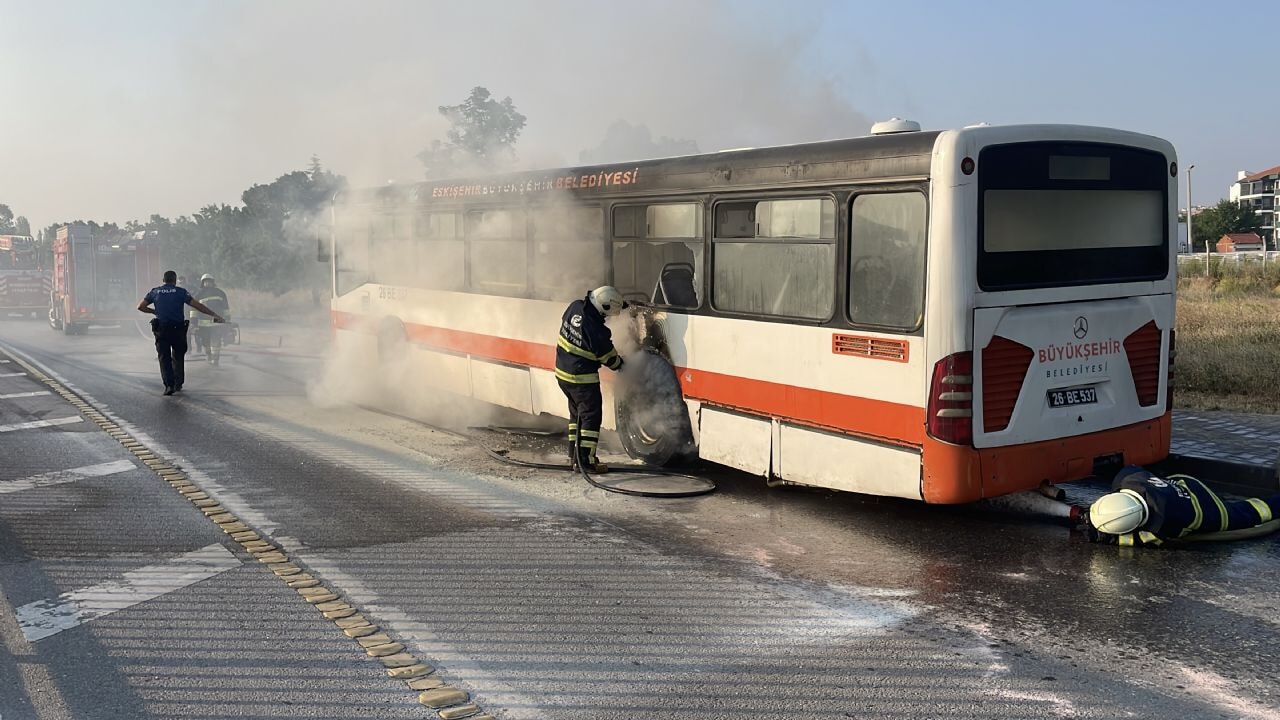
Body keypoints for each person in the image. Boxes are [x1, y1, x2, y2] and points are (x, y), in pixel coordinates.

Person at [1086, 465, 1280, 546]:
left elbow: (1143, 540)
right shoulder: (1126, 479)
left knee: (1249, 513)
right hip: (1181, 483)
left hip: (1206, 509)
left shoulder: (1164, 524)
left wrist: (1111, 539)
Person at [555, 286, 627, 473]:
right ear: (602, 306)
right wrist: (622, 365)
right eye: (608, 313)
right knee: (590, 418)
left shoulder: (575, 307)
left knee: (576, 416)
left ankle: (574, 456)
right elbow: (609, 358)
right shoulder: (596, 329)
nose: (608, 317)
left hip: (563, 374)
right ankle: (585, 462)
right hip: (581, 379)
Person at [137, 270, 225, 395]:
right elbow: (198, 306)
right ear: (174, 280)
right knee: (178, 357)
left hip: (162, 329)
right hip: (177, 330)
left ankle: (169, 385)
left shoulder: (155, 291)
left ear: (163, 280)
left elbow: (140, 307)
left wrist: (153, 312)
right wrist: (215, 315)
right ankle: (178, 384)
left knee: (164, 358)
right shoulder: (181, 292)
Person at [191, 274, 230, 364]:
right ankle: (209, 355)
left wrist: (227, 319)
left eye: (209, 281)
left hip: (217, 322)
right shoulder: (199, 294)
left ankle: (215, 358)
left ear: (213, 282)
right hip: (203, 323)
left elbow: (226, 308)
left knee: (216, 340)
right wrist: (193, 320)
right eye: (205, 281)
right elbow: (194, 309)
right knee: (205, 341)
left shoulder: (220, 293)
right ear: (202, 283)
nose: (207, 283)